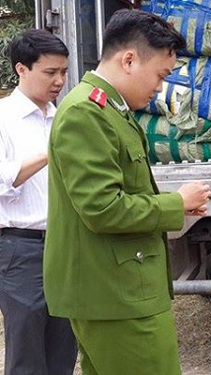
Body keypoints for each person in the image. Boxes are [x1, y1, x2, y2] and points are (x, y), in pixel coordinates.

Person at [43, 9, 211, 374]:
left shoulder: (109, 111)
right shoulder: (86, 114)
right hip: (115, 294)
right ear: (129, 60)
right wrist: (176, 203)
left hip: (116, 289)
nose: (159, 87)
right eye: (160, 76)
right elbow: (103, 208)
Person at [0, 29, 77, 375]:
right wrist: (50, 153)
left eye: (63, 72)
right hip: (21, 249)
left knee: (64, 343)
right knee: (27, 352)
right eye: (50, 73)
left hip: (65, 245)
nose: (59, 80)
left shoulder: (60, 116)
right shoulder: (4, 119)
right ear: (21, 69)